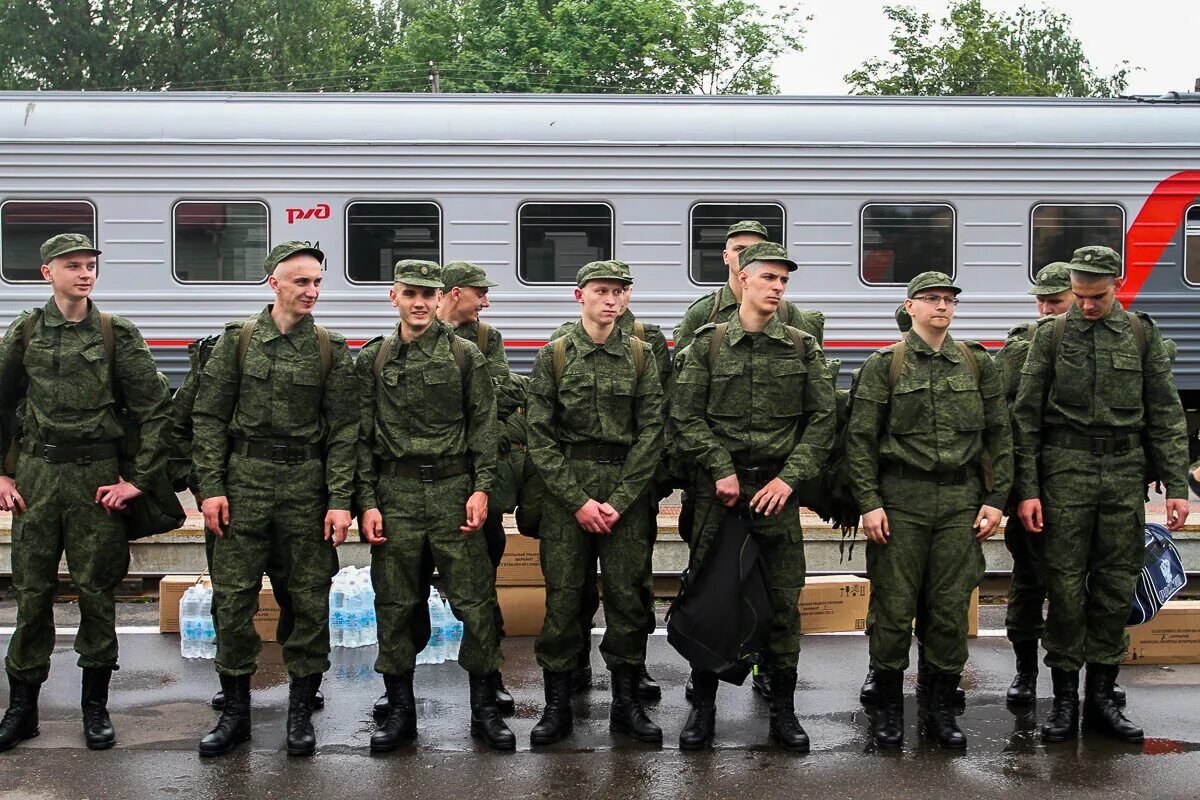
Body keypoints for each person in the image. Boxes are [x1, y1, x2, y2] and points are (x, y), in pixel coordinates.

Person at [0, 234, 171, 752]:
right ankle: (22, 708)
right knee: (31, 592)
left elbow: (157, 407)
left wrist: (136, 480)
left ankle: (94, 707)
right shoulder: (25, 332)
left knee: (97, 593)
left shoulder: (115, 333)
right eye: (72, 266)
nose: (84, 274)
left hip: (97, 480)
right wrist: (2, 475)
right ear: (46, 273)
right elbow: (1, 402)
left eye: (90, 265)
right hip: (37, 478)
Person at [1013, 245, 1190, 744]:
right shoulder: (1051, 334)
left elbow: (1165, 412)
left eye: (1095, 296)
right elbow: (1025, 417)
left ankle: (1101, 700)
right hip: (1063, 473)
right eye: (1080, 296)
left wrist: (1177, 486)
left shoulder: (1141, 334)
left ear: (1116, 284)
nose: (1085, 305)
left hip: (1123, 472)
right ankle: (1064, 702)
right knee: (1065, 589)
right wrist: (1027, 490)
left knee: (1115, 588)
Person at [192, 241, 357, 757]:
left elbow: (344, 431)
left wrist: (340, 500)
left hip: (306, 489)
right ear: (275, 283)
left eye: (316, 282)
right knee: (233, 599)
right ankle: (236, 713)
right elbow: (209, 418)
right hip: (243, 486)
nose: (311, 291)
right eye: (301, 281)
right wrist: (211, 488)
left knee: (308, 598)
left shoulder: (330, 348)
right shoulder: (238, 342)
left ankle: (300, 709)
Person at [670, 241, 836, 752]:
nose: (778, 288)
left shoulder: (802, 347)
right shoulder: (709, 345)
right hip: (719, 495)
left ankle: (782, 710)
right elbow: (683, 414)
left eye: (784, 281)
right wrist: (719, 468)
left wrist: (790, 480)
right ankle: (702, 706)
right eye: (769, 278)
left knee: (784, 603)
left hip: (776, 494)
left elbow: (823, 420)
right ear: (743, 279)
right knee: (711, 596)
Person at [846, 271, 1012, 750]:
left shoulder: (976, 363)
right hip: (902, 500)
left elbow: (1000, 436)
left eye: (948, 300)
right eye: (931, 299)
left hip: (960, 501)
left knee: (948, 609)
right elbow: (861, 440)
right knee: (894, 609)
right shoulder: (885, 365)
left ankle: (939, 708)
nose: (942, 306)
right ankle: (890, 707)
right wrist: (870, 503)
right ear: (910, 306)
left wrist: (995, 498)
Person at [356, 259, 513, 752]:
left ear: (440, 298)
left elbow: (485, 429)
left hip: (453, 492)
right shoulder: (373, 359)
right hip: (394, 495)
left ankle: (484, 710)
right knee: (395, 605)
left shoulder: (466, 356)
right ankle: (401, 711)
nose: (419, 303)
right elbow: (358, 437)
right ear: (394, 297)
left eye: (428, 294)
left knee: (476, 604)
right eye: (410, 294)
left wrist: (483, 489)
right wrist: (366, 501)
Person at [526, 261, 664, 746]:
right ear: (578, 295)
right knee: (564, 599)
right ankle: (557, 705)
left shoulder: (642, 356)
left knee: (628, 598)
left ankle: (626, 706)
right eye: (601, 291)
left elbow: (652, 432)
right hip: (569, 492)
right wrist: (578, 500)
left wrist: (621, 500)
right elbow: (539, 435)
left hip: (625, 489)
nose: (611, 300)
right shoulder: (555, 356)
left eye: (619, 292)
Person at [992, 262, 1073, 706]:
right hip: (1035, 482)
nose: (1044, 308)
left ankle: (1088, 676)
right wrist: (1021, 488)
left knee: (1087, 586)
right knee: (1029, 580)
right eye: (1040, 299)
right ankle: (1025, 670)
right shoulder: (1021, 346)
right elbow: (1005, 417)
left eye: (1054, 300)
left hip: (1086, 484)